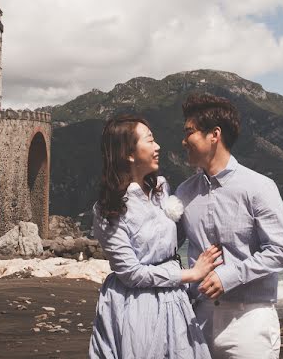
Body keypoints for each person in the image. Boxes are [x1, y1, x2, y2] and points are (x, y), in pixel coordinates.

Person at [89, 115, 220, 359]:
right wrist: (190, 274)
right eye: (150, 140)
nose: (158, 146)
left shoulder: (161, 188)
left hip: (174, 298)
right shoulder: (109, 208)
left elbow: (165, 244)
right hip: (138, 303)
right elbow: (130, 273)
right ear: (129, 154)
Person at [176, 93, 283, 358]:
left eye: (189, 132)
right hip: (198, 318)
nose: (183, 141)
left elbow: (281, 251)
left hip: (249, 321)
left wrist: (228, 276)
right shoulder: (184, 192)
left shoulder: (259, 187)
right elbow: (166, 247)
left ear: (214, 135)